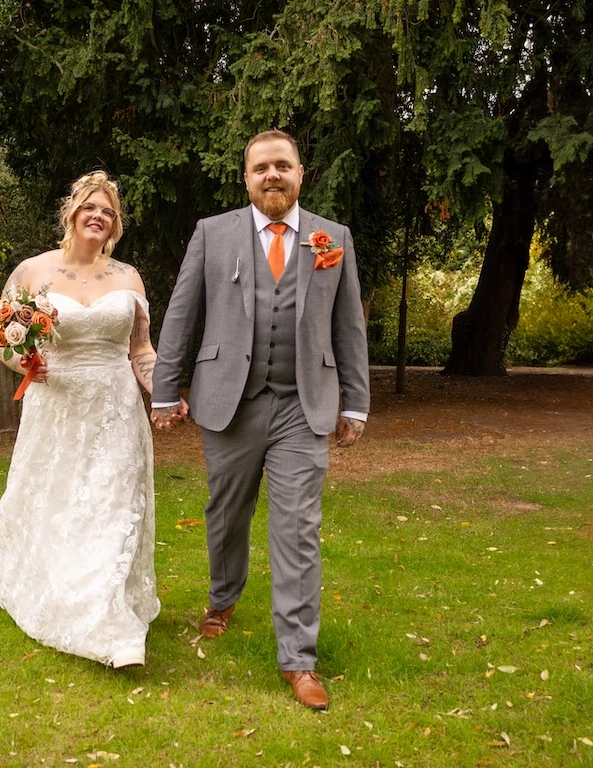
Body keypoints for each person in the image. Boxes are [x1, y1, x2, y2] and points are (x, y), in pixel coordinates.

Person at [151, 130, 370, 710]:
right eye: (260, 169)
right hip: (231, 400)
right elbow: (181, 313)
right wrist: (164, 389)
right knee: (227, 511)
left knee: (298, 526)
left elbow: (349, 325)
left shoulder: (334, 238)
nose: (271, 176)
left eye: (282, 166)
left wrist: (355, 402)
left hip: (304, 405)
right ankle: (223, 597)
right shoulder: (212, 233)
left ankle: (298, 659)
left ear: (302, 173)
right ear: (245, 178)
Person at [0, 171, 160, 668]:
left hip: (116, 407)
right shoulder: (33, 272)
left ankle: (111, 618)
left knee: (114, 503)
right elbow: (2, 339)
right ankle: (61, 588)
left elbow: (140, 349)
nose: (99, 216)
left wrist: (163, 395)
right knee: (57, 501)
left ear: (115, 224)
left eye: (109, 211)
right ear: (72, 212)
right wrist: (25, 363)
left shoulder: (129, 277)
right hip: (56, 407)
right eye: (90, 207)